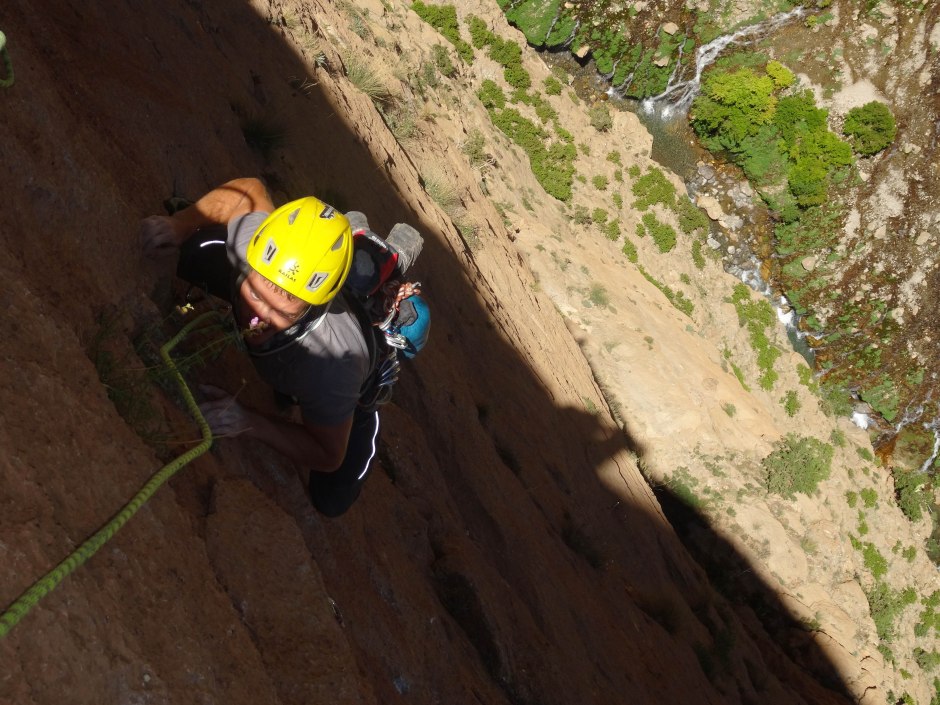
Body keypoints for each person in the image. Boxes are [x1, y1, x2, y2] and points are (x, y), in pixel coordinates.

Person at [140, 177, 379, 517]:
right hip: (299, 349)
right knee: (196, 249)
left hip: (351, 374)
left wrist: (250, 421)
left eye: (280, 311)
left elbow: (328, 454)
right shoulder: (250, 246)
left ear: (310, 308)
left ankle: (381, 284)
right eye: (255, 292)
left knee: (331, 498)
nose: (257, 318)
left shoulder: (335, 365)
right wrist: (179, 225)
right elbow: (248, 193)